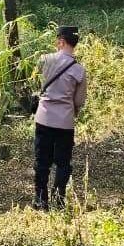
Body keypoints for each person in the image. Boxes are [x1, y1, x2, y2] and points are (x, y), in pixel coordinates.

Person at [33, 25, 88, 210]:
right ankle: (59, 200)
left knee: (42, 161)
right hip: (65, 122)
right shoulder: (79, 70)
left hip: (44, 119)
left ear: (61, 41)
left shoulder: (45, 60)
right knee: (63, 163)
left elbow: (34, 80)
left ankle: (41, 200)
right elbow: (79, 100)